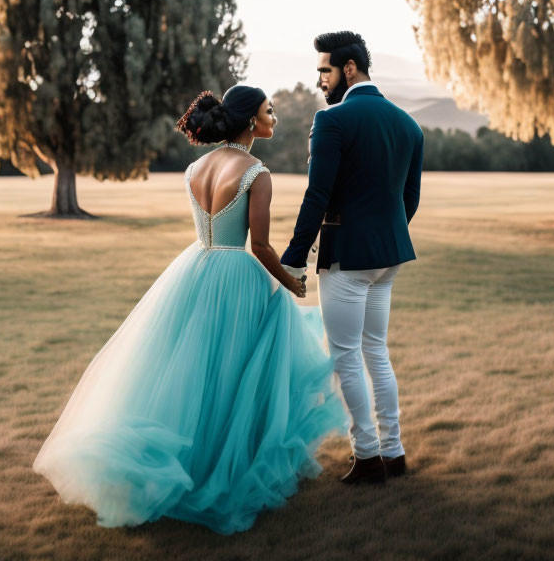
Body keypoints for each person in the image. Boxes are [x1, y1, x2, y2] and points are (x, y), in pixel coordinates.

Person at [33, 84, 345, 534]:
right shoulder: (257, 172)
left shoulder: (196, 168)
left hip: (195, 267)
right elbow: (258, 246)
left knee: (191, 371)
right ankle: (224, 470)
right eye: (268, 111)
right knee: (231, 373)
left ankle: (186, 465)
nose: (273, 118)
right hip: (237, 276)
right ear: (249, 121)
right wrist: (291, 282)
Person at [280, 31, 424, 485]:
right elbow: (410, 200)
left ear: (347, 69)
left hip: (346, 258)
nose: (319, 80)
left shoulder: (332, 121)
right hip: (388, 256)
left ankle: (366, 457)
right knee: (376, 351)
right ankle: (394, 451)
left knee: (345, 356)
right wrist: (384, 234)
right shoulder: (409, 124)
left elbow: (317, 194)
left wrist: (293, 258)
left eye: (323, 70)